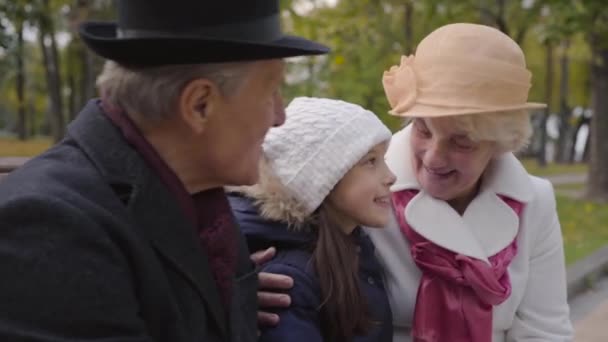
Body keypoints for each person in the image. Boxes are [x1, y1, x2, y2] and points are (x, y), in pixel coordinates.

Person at [0, 1, 328, 341]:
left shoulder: (202, 205)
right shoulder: (51, 233)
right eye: (271, 91)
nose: (280, 116)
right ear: (199, 105)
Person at [259, 23, 574, 341]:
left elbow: (545, 331)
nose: (433, 157)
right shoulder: (362, 189)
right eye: (423, 129)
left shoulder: (535, 201)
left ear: (501, 142)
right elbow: (279, 234)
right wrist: (240, 282)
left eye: (461, 142)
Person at [228, 97, 396, 341]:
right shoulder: (289, 279)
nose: (391, 176)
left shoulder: (354, 247)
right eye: (370, 161)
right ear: (322, 177)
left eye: (384, 160)